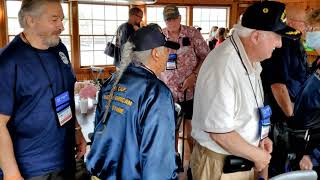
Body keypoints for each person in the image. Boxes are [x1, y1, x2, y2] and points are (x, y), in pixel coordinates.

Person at [190, 1, 301, 179]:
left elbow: (247, 113)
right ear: (256, 36)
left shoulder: (252, 59)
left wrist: (260, 139)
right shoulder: (224, 65)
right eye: (277, 36)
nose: (280, 44)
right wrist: (258, 156)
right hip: (221, 166)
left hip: (242, 156)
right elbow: (220, 134)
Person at [0, 0, 87, 179]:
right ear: (30, 20)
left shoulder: (60, 49)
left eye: (62, 19)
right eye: (54, 20)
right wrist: (11, 173)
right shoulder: (8, 61)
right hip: (32, 167)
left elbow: (66, 93)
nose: (62, 26)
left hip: (66, 156)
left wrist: (77, 130)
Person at [86, 24, 180, 179]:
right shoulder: (156, 92)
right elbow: (158, 161)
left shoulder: (112, 81)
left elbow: (99, 130)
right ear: (156, 53)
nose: (169, 53)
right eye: (167, 49)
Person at [161, 5, 210, 156]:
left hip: (191, 91)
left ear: (180, 18)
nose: (172, 22)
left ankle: (194, 164)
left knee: (192, 130)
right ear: (165, 21)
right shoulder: (160, 36)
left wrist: (194, 76)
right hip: (167, 91)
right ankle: (173, 160)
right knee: (171, 129)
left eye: (175, 18)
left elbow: (206, 57)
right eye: (168, 19)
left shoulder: (192, 33)